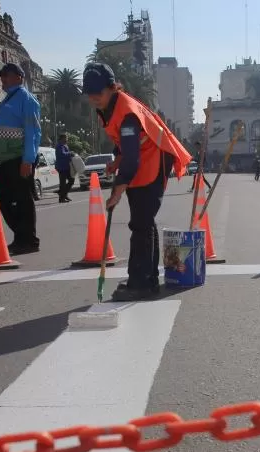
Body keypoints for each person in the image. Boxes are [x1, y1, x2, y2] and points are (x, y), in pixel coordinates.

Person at [82, 61, 192, 301]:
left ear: (112, 88)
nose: (93, 98)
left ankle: (140, 282)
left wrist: (116, 193)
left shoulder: (127, 112)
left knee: (140, 224)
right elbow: (125, 145)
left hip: (153, 161)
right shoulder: (109, 107)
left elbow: (132, 158)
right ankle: (147, 278)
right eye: (89, 94)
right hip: (143, 159)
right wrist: (116, 160)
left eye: (97, 93)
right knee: (144, 222)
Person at [0, 62, 42, 254]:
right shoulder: (7, 100)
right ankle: (20, 236)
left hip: (19, 157)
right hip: (5, 159)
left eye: (6, 76)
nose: (2, 80)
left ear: (19, 78)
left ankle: (29, 240)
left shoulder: (26, 99)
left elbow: (33, 131)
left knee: (23, 200)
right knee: (4, 199)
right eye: (1, 76)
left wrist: (28, 160)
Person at [54, 133, 73, 203]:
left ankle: (64, 195)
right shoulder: (59, 146)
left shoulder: (64, 145)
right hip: (62, 167)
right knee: (64, 182)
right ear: (62, 139)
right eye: (66, 138)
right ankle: (62, 197)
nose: (67, 139)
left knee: (70, 181)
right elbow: (62, 154)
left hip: (66, 166)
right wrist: (70, 153)